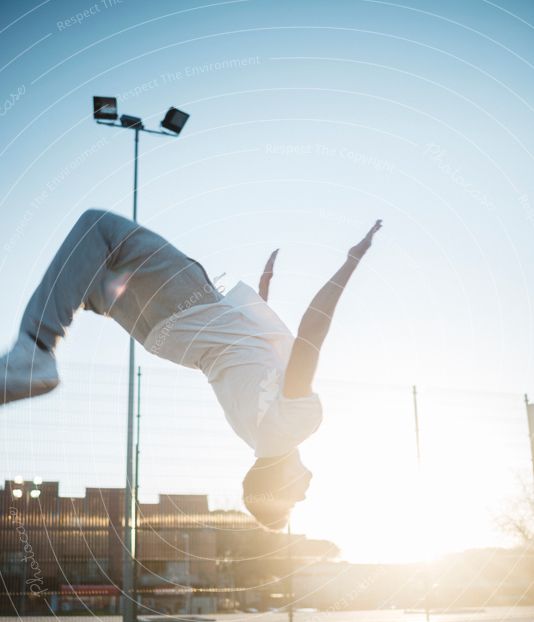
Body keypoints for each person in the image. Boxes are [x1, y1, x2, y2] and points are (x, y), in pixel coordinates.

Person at [0, 209, 382, 529]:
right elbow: (252, 355)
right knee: (86, 275)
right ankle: (34, 352)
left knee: (99, 228)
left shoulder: (300, 422)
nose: (305, 495)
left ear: (280, 483)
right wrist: (264, 293)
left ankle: (35, 351)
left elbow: (311, 331)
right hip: (161, 337)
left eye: (293, 501)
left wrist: (352, 259)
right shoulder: (252, 434)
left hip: (185, 303)